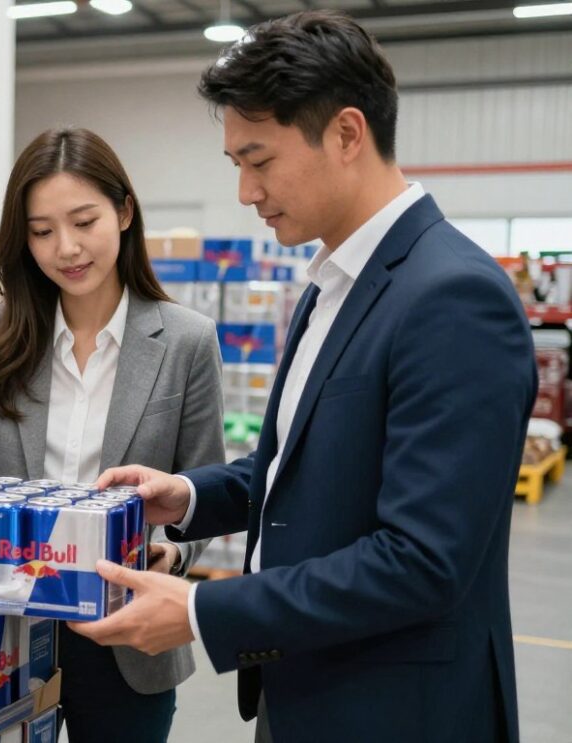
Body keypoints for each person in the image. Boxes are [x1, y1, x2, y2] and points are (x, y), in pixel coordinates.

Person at [70, 11, 535, 743]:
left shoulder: (453, 297)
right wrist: (189, 495)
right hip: (307, 689)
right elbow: (306, 466)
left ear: (347, 134)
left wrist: (201, 612)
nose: (245, 191)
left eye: (259, 161)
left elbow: (422, 561)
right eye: (236, 165)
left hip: (395, 712)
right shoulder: (332, 284)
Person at [0, 127, 224, 743]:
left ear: (124, 212)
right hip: (6, 634)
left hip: (125, 638)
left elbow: (206, 492)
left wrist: (172, 556)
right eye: (41, 231)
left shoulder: (186, 341)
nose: (66, 248)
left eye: (84, 222)